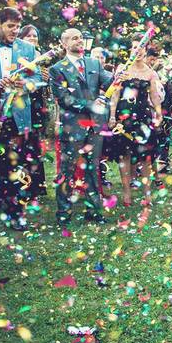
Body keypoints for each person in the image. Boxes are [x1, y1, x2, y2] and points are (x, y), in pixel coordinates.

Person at [0, 7, 40, 230]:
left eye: (18, 27)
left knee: (16, 163)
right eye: (10, 26)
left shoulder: (28, 49)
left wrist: (28, 84)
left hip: (17, 115)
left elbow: (39, 79)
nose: (15, 30)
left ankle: (15, 212)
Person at [49, 28, 113, 226]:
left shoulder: (94, 63)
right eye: (74, 38)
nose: (80, 40)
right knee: (67, 171)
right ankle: (63, 211)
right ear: (64, 43)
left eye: (81, 37)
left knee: (92, 169)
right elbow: (64, 98)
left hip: (94, 126)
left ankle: (93, 211)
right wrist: (91, 105)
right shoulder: (57, 69)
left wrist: (119, 77)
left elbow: (108, 81)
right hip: (72, 127)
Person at [106, 33, 164, 208]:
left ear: (145, 50)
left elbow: (154, 96)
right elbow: (114, 94)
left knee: (146, 157)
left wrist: (159, 113)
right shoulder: (122, 69)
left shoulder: (150, 72)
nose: (138, 51)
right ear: (131, 50)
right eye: (134, 48)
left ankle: (147, 194)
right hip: (124, 117)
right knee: (125, 154)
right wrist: (112, 115)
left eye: (141, 48)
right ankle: (127, 193)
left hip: (143, 117)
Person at [17, 25, 51, 200]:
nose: (32, 38)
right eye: (28, 35)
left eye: (35, 35)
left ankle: (37, 186)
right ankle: (22, 185)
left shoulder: (42, 56)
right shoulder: (19, 55)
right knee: (21, 146)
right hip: (21, 102)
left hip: (37, 104)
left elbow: (45, 82)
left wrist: (46, 78)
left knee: (35, 145)